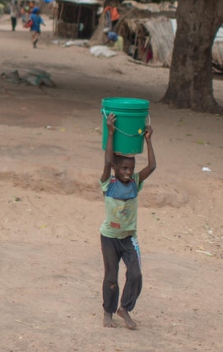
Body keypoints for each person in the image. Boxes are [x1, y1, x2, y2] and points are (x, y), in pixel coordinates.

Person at [100, 113, 156, 329]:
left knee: (135, 275)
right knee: (111, 277)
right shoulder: (108, 183)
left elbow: (151, 167)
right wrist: (111, 132)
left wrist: (149, 141)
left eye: (131, 169)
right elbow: (107, 160)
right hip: (109, 238)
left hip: (128, 238)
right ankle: (108, 311)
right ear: (115, 169)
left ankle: (124, 308)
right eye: (123, 168)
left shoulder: (136, 182)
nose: (128, 172)